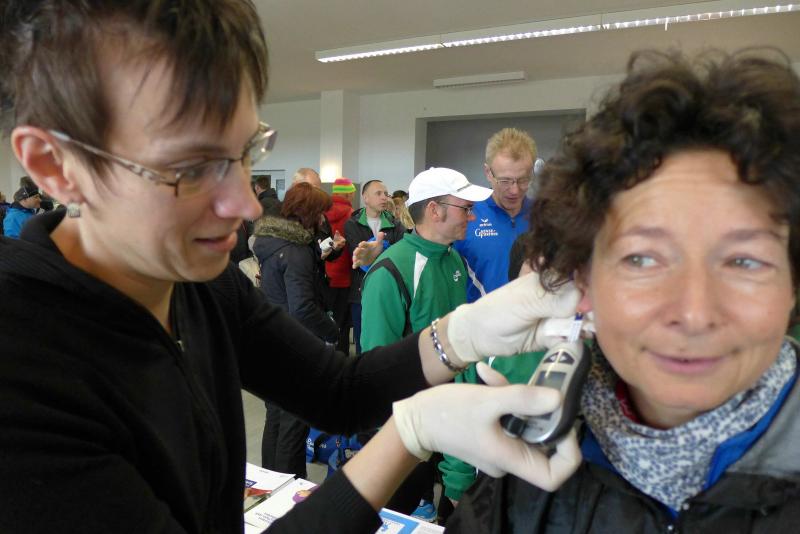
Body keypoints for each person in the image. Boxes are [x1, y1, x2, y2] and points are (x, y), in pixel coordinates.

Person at [0, 2, 582, 533]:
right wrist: (408, 436)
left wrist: (460, 334)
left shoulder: (198, 284)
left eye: (246, 152)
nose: (247, 205)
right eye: (192, 168)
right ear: (55, 166)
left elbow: (338, 390)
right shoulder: (25, 363)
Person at [447, 48, 800, 533]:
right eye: (642, 259)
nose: (694, 314)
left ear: (793, 286)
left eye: (745, 261)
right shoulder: (526, 474)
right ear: (583, 280)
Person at [360, 167, 492, 520]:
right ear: (434, 210)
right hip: (404, 437)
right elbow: (376, 373)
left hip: (448, 427)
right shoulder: (390, 272)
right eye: (466, 208)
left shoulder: (453, 259)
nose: (472, 216)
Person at [254, 182, 338, 478]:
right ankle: (290, 492)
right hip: (294, 347)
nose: (323, 219)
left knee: (276, 420)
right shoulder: (296, 251)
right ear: (309, 213)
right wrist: (332, 330)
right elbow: (302, 306)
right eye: (320, 213)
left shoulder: (272, 243)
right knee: (293, 427)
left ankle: (270, 486)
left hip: (271, 341)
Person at [454, 128, 536, 302]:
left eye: (523, 180)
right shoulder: (467, 217)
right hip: (480, 318)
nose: (514, 190)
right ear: (488, 173)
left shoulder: (545, 218)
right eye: (505, 181)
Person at [344, 179, 406, 354]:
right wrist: (384, 249)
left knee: (388, 341)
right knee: (363, 341)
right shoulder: (352, 224)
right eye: (378, 193)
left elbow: (400, 256)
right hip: (360, 292)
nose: (384, 197)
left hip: (389, 289)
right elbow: (359, 258)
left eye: (385, 193)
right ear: (366, 198)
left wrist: (379, 249)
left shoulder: (395, 224)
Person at [325, 177, 356, 355]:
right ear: (349, 194)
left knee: (325, 320)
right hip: (344, 276)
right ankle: (341, 357)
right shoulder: (351, 214)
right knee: (342, 322)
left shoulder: (321, 212)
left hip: (324, 275)